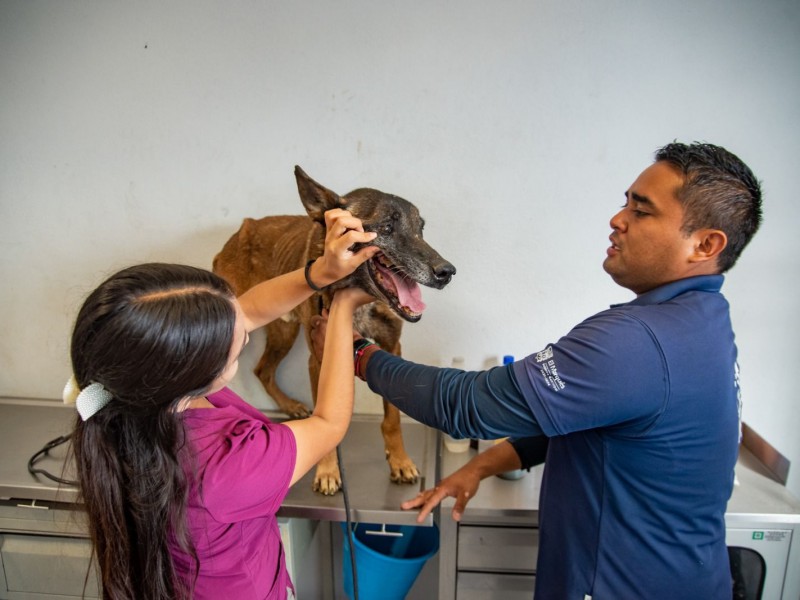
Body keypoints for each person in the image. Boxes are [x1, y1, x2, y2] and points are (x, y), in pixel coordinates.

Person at [314, 142, 763, 599]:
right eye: (625, 201)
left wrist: (357, 354)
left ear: (705, 244)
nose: (617, 219)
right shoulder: (702, 321)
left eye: (642, 211)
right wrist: (481, 467)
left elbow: (466, 405)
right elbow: (589, 420)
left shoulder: (638, 341)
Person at [64, 209, 378, 600]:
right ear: (193, 368)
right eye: (235, 344)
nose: (245, 332)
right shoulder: (227, 466)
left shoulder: (130, 396)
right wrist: (344, 306)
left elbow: (246, 311)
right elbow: (330, 423)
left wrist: (321, 273)